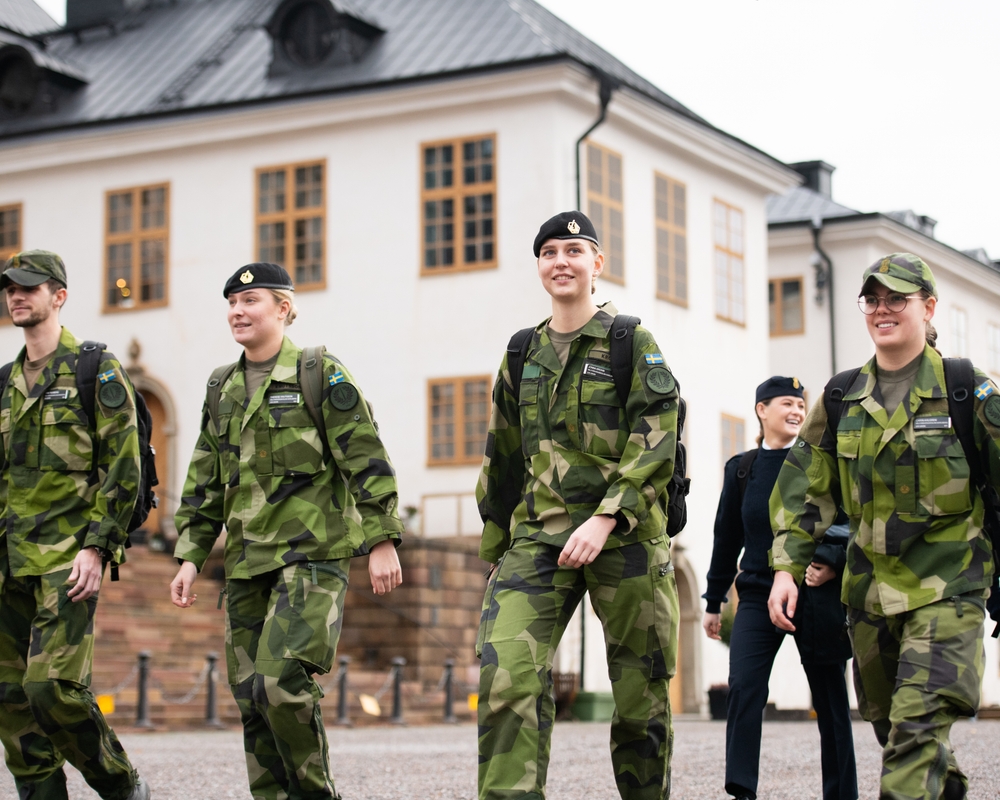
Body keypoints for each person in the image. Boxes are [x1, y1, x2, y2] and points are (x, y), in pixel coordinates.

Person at [768, 253, 998, 800]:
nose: (882, 309)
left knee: (914, 738)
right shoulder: (842, 396)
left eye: (897, 298)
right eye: (872, 299)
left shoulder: (970, 391)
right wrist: (785, 567)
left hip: (949, 592)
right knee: (897, 733)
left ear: (928, 307)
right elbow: (805, 486)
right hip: (869, 600)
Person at [170, 262, 404, 800]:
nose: (237, 311)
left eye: (250, 301)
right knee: (250, 695)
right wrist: (190, 555)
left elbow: (364, 457)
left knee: (280, 683)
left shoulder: (319, 372)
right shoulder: (221, 387)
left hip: (312, 556)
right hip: (247, 562)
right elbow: (206, 476)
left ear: (283, 308)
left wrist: (382, 539)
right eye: (231, 302)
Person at [476, 211, 680, 800]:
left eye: (573, 249)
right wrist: (496, 549)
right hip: (538, 539)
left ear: (597, 263)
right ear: (538, 267)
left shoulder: (630, 341)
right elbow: (503, 459)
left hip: (628, 539)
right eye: (548, 253)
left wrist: (607, 514)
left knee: (641, 699)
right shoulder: (522, 352)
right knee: (505, 677)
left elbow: (658, 434)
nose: (560, 261)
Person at [0, 251, 149, 800]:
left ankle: (120, 783)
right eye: (11, 289)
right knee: (10, 701)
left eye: (30, 288)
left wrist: (98, 547)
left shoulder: (95, 368)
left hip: (67, 558)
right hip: (7, 560)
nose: (17, 296)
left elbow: (124, 466)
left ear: (58, 296)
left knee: (51, 688)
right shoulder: (4, 382)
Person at [702, 377, 857, 800]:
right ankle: (742, 790)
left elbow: (845, 518)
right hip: (755, 593)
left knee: (830, 699)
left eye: (801, 405)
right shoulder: (741, 468)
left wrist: (829, 561)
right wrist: (714, 601)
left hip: (815, 592)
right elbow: (726, 537)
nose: (796, 411)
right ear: (761, 410)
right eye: (786, 403)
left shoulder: (820, 462)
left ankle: (842, 794)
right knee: (745, 688)